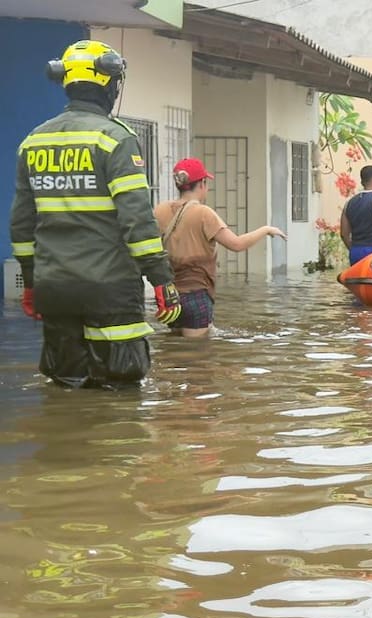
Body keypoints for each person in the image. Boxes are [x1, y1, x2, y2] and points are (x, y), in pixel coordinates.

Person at [9, 40, 181, 389]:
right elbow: (137, 221)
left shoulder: (33, 142)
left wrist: (31, 283)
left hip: (54, 287)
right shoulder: (115, 140)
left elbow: (22, 226)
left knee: (64, 388)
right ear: (109, 84)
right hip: (110, 289)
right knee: (120, 391)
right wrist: (162, 280)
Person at [155, 158, 285, 337]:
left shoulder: (160, 211)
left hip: (170, 298)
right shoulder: (203, 213)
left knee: (174, 347)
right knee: (198, 350)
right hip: (196, 296)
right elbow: (237, 244)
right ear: (202, 183)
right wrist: (266, 230)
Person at [339, 164, 372, 265]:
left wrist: (353, 249)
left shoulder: (349, 203)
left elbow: (343, 234)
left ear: (362, 182)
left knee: (358, 276)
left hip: (356, 251)